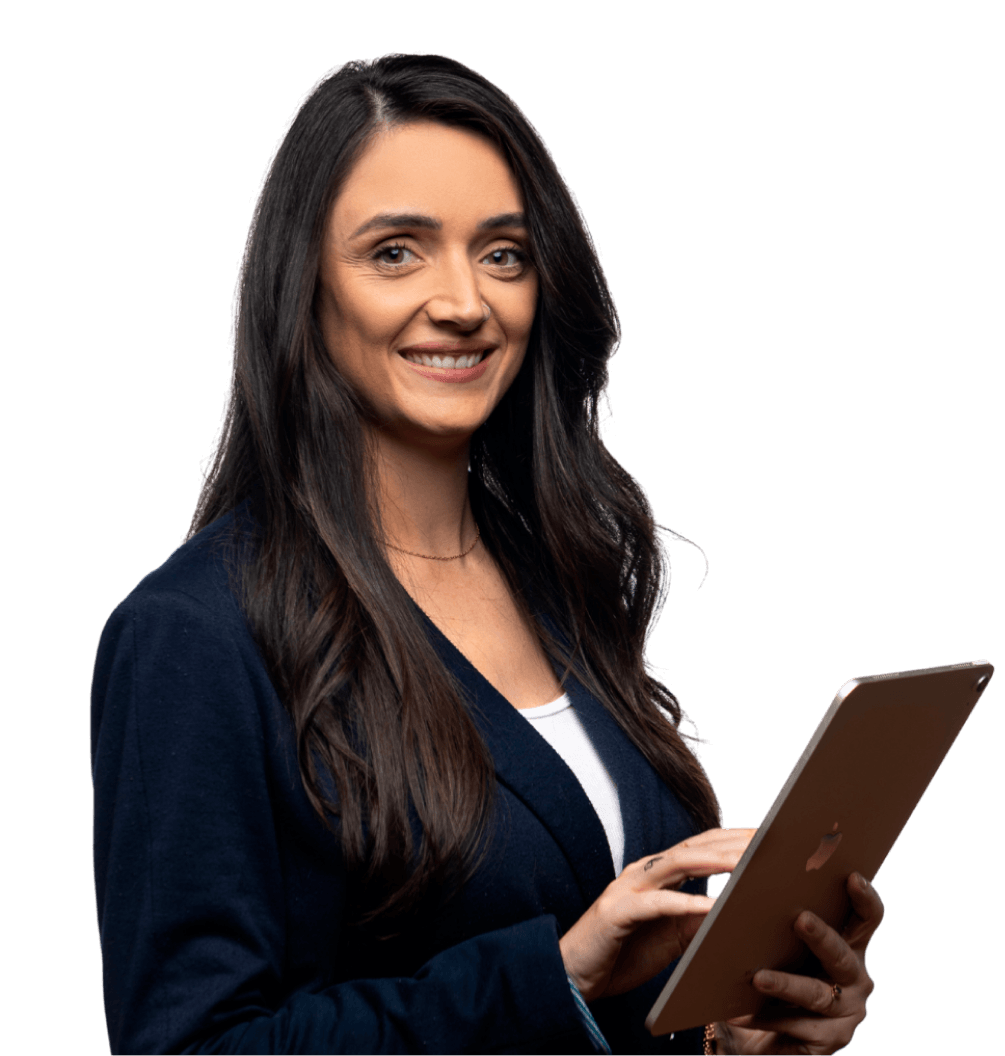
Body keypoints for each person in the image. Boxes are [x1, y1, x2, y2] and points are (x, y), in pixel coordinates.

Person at [90, 53, 885, 1054]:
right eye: (397, 253)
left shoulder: (560, 581)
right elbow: (188, 1045)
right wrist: (553, 976)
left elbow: (617, 1002)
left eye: (503, 253)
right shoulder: (193, 637)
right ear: (305, 287)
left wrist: (738, 1026)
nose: (466, 301)